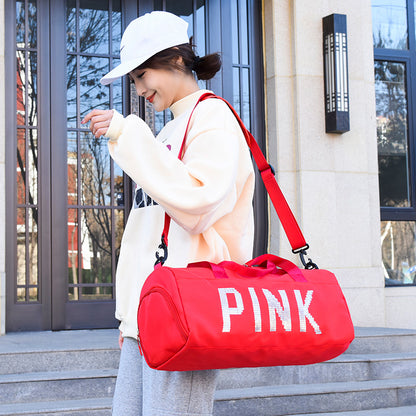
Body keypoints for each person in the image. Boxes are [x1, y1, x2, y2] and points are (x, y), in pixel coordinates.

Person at [82, 11, 255, 416]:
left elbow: (198, 206)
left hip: (188, 311)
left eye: (143, 75)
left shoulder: (212, 117)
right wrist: (130, 318)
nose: (139, 88)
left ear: (176, 60)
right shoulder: (167, 131)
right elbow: (146, 233)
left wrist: (126, 134)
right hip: (152, 316)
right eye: (134, 79)